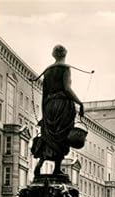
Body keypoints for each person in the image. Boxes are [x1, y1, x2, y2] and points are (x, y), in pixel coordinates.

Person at [32, 45, 84, 176]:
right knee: (62, 136)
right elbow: (67, 89)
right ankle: (56, 168)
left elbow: (45, 93)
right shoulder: (65, 69)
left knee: (49, 135)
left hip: (50, 106)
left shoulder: (47, 71)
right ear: (65, 54)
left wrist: (45, 114)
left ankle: (40, 164)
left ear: (53, 55)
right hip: (62, 106)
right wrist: (80, 103)